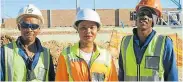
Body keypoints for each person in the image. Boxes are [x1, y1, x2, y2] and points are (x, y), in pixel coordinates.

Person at [118, 0, 178, 81]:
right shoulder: (125, 42)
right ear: (136, 17)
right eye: (141, 13)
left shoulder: (164, 44)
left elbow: (172, 77)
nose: (144, 17)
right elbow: (121, 75)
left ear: (155, 19)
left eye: (149, 14)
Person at [55, 8, 118, 81]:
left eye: (92, 27)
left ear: (97, 29)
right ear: (77, 29)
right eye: (83, 28)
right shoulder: (66, 55)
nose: (88, 31)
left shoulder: (106, 56)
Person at [0, 4, 55, 81]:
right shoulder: (4, 52)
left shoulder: (46, 54)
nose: (29, 29)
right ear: (19, 27)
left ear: (39, 29)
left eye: (34, 26)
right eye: (25, 25)